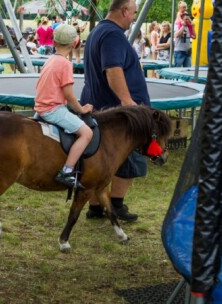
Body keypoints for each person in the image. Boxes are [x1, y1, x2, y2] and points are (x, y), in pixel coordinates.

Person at [80, 0, 150, 222]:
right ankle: (116, 205)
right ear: (124, 11)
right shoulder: (113, 35)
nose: (134, 18)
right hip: (117, 114)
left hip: (98, 106)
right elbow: (113, 70)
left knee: (96, 161)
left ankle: (97, 208)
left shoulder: (97, 31)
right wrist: (128, 102)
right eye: (133, 13)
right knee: (127, 158)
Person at [34, 24, 93, 189]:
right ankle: (66, 171)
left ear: (54, 42)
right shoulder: (65, 64)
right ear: (75, 43)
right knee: (86, 133)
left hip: (41, 106)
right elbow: (68, 95)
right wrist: (82, 109)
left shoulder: (51, 59)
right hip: (53, 109)